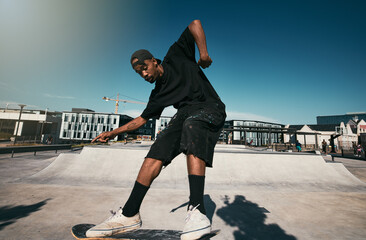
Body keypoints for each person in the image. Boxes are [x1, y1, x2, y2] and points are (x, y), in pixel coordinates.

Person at [88, 20, 226, 240]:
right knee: (156, 151)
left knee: (192, 125)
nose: (144, 74)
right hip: (184, 114)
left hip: (210, 107)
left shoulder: (176, 55)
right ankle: (130, 214)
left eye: (144, 68)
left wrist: (204, 54)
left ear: (154, 61)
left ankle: (198, 210)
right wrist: (112, 133)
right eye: (139, 73)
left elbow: (195, 24)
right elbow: (141, 120)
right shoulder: (158, 93)